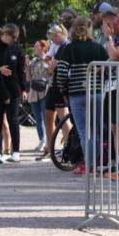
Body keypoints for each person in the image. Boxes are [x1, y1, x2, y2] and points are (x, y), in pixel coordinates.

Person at [54, 17, 108, 177]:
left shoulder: (69, 49)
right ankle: (98, 164)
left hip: (77, 94)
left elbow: (62, 73)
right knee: (97, 130)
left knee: (84, 131)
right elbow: (109, 70)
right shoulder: (98, 48)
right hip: (97, 93)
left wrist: (64, 91)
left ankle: (89, 164)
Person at [0, 23, 26, 163]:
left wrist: (22, 88)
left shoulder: (17, 48)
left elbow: (21, 69)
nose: (15, 40)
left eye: (16, 37)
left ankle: (16, 151)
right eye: (13, 37)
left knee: (13, 120)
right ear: (5, 35)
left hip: (14, 90)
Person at [101, 8, 119, 176]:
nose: (105, 28)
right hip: (112, 86)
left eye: (107, 24)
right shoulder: (117, 38)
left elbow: (115, 55)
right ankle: (118, 159)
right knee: (113, 126)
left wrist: (108, 38)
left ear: (117, 22)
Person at [37, 23, 71, 162]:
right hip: (53, 84)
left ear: (60, 34)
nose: (53, 40)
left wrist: (51, 66)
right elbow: (49, 62)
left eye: (54, 36)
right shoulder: (57, 46)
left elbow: (51, 66)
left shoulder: (66, 46)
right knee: (49, 115)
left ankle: (69, 149)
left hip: (61, 83)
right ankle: (50, 150)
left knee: (63, 116)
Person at [26, 39, 51, 153]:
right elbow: (28, 78)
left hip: (45, 90)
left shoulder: (48, 59)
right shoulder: (33, 61)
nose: (34, 48)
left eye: (36, 46)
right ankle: (42, 140)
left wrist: (45, 81)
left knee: (46, 117)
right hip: (34, 91)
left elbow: (52, 75)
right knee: (37, 117)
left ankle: (48, 141)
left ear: (43, 48)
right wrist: (27, 66)